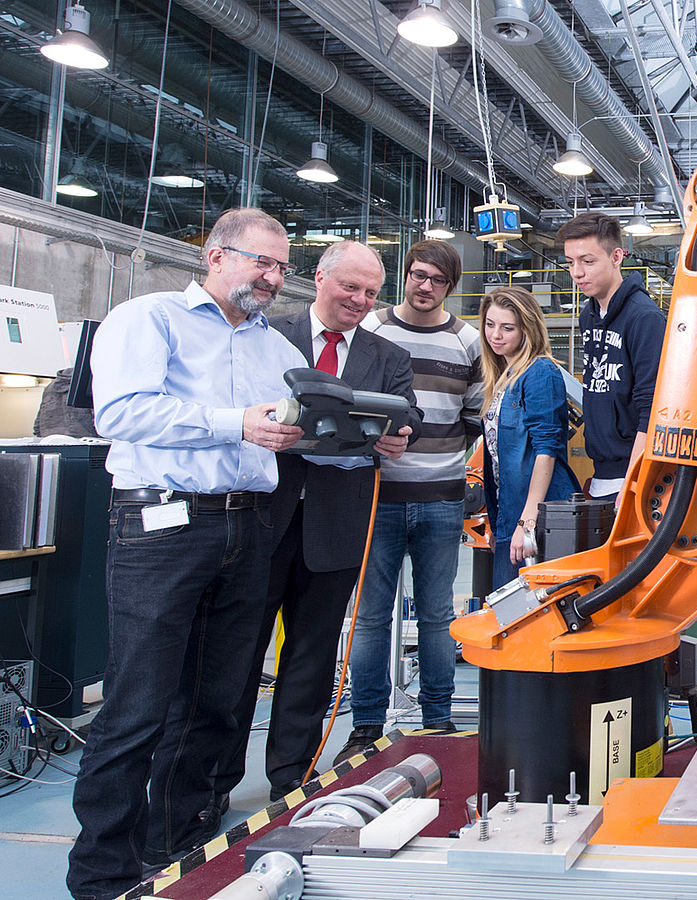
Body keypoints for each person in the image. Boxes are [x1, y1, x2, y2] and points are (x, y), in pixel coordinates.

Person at [67, 208, 306, 900]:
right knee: (138, 705)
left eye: (281, 267)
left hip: (249, 527)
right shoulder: (149, 320)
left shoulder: (278, 352)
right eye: (261, 261)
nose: (272, 277)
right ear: (215, 256)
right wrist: (236, 423)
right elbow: (120, 413)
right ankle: (103, 874)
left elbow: (295, 425)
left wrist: (356, 432)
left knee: (217, 703)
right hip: (161, 528)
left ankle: (174, 849)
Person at [213, 241, 420, 803]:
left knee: (311, 652)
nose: (358, 300)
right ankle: (213, 782)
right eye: (349, 287)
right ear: (320, 277)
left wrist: (401, 435)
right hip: (260, 518)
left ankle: (292, 780)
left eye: (371, 293)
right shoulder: (265, 333)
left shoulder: (387, 355)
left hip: (337, 521)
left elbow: (408, 412)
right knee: (237, 654)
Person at [339, 239, 482, 759]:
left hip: (442, 497)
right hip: (378, 494)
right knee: (371, 614)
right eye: (418, 275)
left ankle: (438, 719)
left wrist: (441, 459)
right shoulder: (372, 329)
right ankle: (367, 725)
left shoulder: (467, 341)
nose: (425, 287)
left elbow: (473, 416)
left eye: (437, 280)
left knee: (438, 614)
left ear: (451, 287)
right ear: (406, 275)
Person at [558, 211, 665, 502]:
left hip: (632, 480)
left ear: (616, 257)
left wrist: (634, 483)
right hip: (600, 477)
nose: (577, 273)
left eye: (588, 261)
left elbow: (652, 406)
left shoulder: (644, 317)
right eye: (570, 263)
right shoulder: (588, 316)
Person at [479, 285, 582, 586]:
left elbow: (546, 450)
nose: (496, 335)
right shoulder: (502, 376)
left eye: (507, 328)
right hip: (511, 512)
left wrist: (528, 522)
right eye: (490, 324)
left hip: (537, 517)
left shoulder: (539, 372)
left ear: (527, 330)